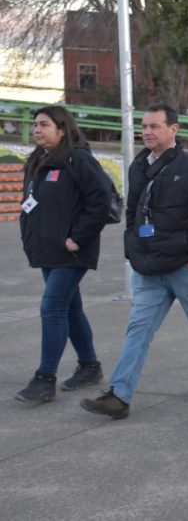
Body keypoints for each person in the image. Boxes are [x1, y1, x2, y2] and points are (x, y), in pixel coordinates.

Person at [81, 104, 188, 420]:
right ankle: (119, 396)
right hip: (148, 268)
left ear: (174, 130)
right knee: (138, 329)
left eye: (154, 126)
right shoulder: (138, 166)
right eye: (144, 126)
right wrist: (132, 250)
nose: (147, 132)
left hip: (185, 267)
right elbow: (133, 214)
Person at [15, 106, 110, 403]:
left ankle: (45, 378)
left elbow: (101, 199)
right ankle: (89, 365)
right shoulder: (38, 161)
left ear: (62, 129)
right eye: (35, 126)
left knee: (52, 308)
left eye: (44, 125)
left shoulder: (77, 159)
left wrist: (77, 238)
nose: (37, 130)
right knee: (70, 308)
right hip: (47, 250)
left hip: (71, 251)